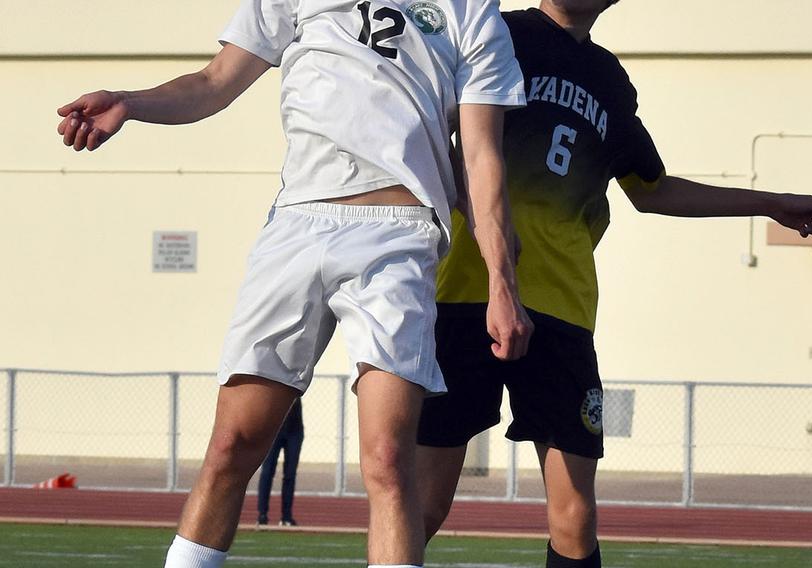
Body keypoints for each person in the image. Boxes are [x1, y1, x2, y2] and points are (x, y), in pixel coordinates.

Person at [56, 0, 534, 565]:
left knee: (387, 458)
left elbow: (481, 157)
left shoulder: (472, 11)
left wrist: (502, 283)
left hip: (399, 236)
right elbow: (214, 83)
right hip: (298, 226)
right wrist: (131, 103)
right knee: (232, 445)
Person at [415, 1, 812, 567]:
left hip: (562, 310)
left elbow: (653, 191)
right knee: (425, 505)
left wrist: (769, 203)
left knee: (575, 518)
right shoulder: (494, 33)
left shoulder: (608, 79)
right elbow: (429, 133)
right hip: (464, 297)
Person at [257, 397, 303, 527]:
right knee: (267, 471)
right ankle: (262, 514)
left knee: (290, 474)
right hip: (274, 430)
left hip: (295, 431)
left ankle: (286, 517)